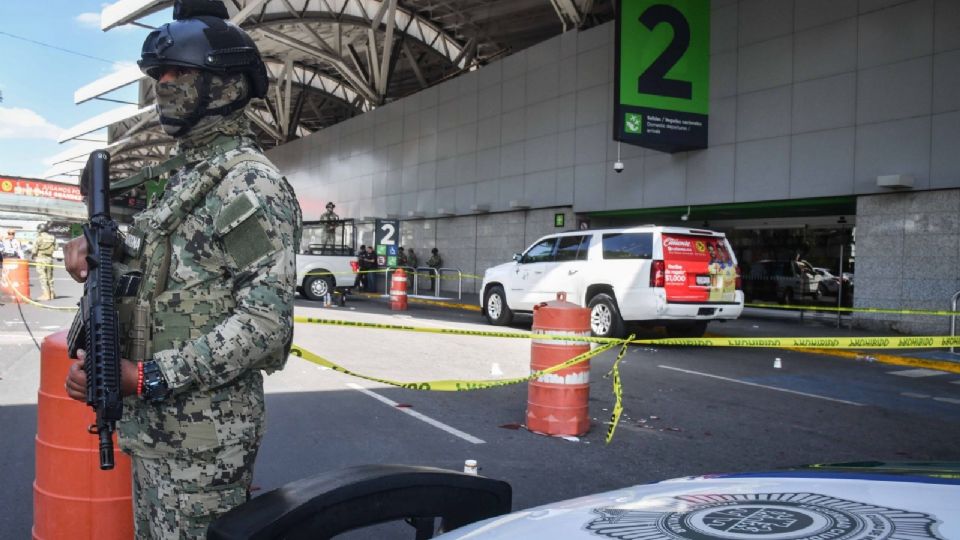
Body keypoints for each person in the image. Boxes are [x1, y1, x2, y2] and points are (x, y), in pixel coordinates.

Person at [63, 2, 302, 537]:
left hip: (203, 444)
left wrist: (148, 376)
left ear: (224, 87)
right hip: (153, 428)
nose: (162, 86)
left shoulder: (248, 185)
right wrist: (97, 243)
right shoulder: (187, 178)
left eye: (179, 73)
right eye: (158, 75)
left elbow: (265, 326)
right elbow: (164, 262)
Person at [33, 222, 57, 301]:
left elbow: (34, 250)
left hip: (41, 258)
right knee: (50, 277)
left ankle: (46, 294)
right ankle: (52, 293)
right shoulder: (52, 237)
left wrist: (33, 255)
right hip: (49, 259)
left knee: (42, 277)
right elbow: (56, 247)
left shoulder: (38, 238)